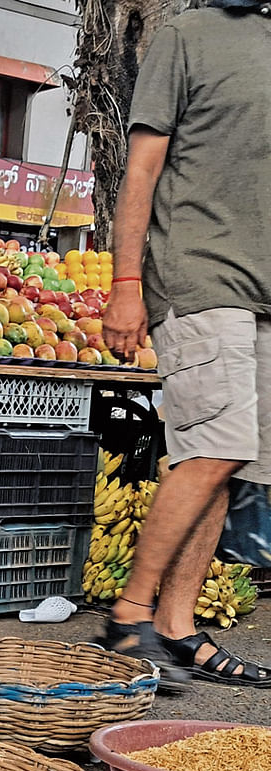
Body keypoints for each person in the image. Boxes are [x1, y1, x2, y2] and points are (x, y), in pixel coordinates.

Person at [101, 0, 271, 689]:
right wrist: (124, 282)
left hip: (263, 292)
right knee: (216, 447)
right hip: (202, 275)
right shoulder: (185, 36)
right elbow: (140, 172)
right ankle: (128, 617)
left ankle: (177, 625)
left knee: (232, 463)